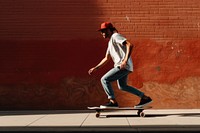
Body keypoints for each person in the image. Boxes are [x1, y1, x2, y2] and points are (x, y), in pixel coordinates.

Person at [88, 22, 152, 108]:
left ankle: (113, 101)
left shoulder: (115, 36)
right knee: (122, 86)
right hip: (123, 66)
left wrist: (125, 61)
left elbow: (130, 45)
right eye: (101, 31)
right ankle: (145, 98)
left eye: (104, 31)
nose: (102, 33)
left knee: (104, 79)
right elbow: (106, 58)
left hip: (122, 66)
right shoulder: (111, 41)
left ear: (110, 30)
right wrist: (95, 68)